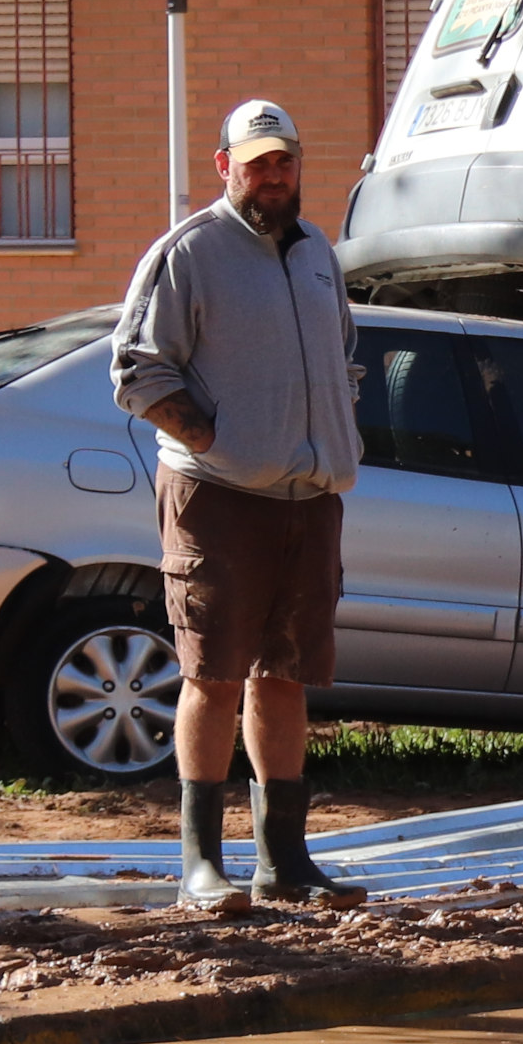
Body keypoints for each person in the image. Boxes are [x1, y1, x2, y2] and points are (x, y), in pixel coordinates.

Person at [109, 97, 364, 913]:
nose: (273, 174)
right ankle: (198, 866)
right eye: (256, 162)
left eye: (284, 159)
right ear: (226, 167)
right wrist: (215, 441)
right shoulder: (189, 253)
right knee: (214, 674)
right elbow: (137, 371)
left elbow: (345, 356)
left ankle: (284, 863)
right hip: (217, 498)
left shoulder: (319, 251)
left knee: (283, 676)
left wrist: (328, 439)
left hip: (310, 499)